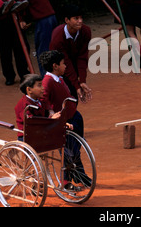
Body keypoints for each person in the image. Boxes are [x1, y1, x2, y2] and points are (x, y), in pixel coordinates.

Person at [39, 50, 91, 189]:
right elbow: (44, 100)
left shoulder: (58, 78)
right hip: (65, 121)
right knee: (70, 152)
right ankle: (71, 179)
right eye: (63, 64)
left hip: (74, 116)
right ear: (55, 66)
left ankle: (76, 177)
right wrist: (52, 114)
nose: (65, 66)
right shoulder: (47, 81)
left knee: (74, 151)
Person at [15, 0, 58, 76]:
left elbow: (22, 2)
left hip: (42, 20)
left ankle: (46, 80)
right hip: (51, 16)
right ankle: (55, 77)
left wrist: (22, 19)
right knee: (52, 49)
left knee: (43, 52)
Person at [50, 4, 92, 103]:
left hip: (71, 63)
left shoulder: (86, 31)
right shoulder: (57, 38)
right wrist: (76, 85)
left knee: (74, 97)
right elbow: (66, 62)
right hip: (58, 66)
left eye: (81, 18)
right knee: (63, 96)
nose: (80, 21)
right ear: (67, 20)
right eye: (76, 18)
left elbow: (82, 57)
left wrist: (82, 81)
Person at [0, 0, 31, 86]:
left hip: (17, 20)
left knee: (21, 48)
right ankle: (9, 76)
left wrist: (23, 19)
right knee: (5, 50)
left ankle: (23, 73)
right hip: (4, 21)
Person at [14, 74, 64, 141]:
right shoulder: (23, 105)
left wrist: (60, 122)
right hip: (27, 136)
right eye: (39, 85)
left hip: (40, 131)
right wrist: (51, 119)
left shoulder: (40, 101)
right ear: (29, 90)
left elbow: (47, 112)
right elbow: (31, 123)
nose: (43, 88)